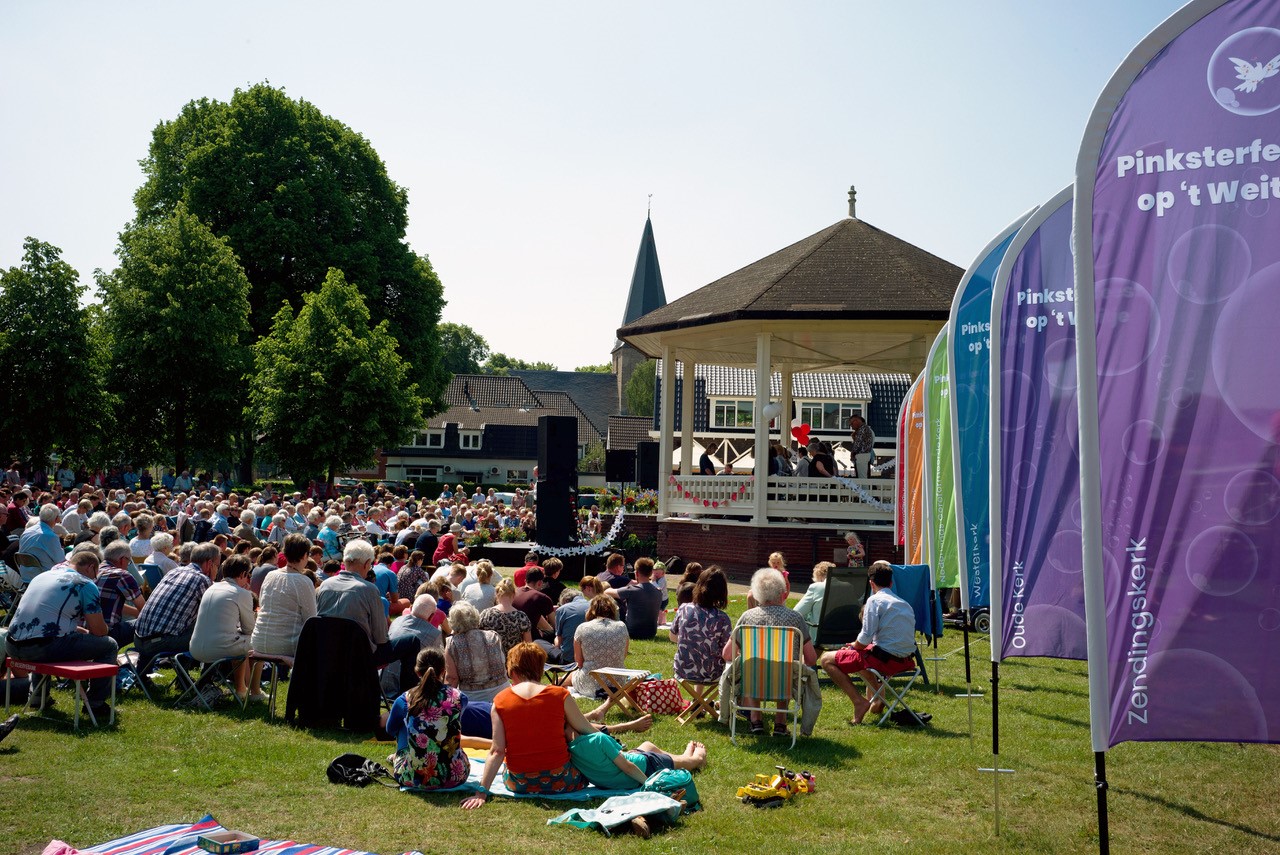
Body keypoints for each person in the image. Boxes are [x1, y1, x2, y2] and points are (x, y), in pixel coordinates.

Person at [461, 642, 595, 807]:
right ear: (540, 667)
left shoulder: (500, 701)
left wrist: (481, 792)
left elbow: (497, 751)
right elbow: (586, 729)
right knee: (570, 729)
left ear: (512, 669)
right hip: (562, 780)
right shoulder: (560, 695)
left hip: (520, 783)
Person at [2, 546, 117, 718]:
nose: (95, 578)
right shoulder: (85, 584)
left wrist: (78, 631)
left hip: (12, 644)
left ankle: (38, 697)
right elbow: (99, 631)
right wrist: (104, 629)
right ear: (91, 567)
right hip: (42, 647)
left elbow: (46, 619)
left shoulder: (42, 576)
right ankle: (95, 703)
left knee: (49, 638)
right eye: (96, 573)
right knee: (109, 645)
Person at [820, 561, 918, 725]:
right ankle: (877, 699)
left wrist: (852, 646)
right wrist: (855, 646)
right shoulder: (904, 604)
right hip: (906, 661)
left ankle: (859, 702)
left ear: (871, 583)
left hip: (885, 661)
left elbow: (865, 638)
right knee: (859, 655)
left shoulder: (874, 601)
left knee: (825, 659)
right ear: (891, 583)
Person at [316, 538, 420, 693]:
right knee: (412, 641)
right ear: (366, 564)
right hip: (361, 655)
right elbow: (381, 638)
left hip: (329, 652)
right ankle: (407, 698)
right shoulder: (369, 590)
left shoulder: (325, 585)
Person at [723, 567, 817, 736]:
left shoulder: (747, 618)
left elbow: (727, 655)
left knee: (752, 665)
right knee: (786, 666)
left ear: (758, 595)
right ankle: (780, 723)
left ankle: (756, 719)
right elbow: (811, 659)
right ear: (783, 594)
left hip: (753, 680)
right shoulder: (795, 618)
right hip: (784, 682)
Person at [384, 647, 470, 790]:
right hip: (455, 776)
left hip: (414, 778)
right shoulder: (460, 698)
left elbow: (390, 729)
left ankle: (400, 757)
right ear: (443, 671)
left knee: (402, 725)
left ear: (417, 671)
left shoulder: (405, 699)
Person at [133, 542, 219, 674]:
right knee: (211, 633)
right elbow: (213, 612)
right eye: (217, 565)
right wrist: (212, 579)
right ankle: (204, 684)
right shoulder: (202, 579)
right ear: (209, 564)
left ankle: (142, 677)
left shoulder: (175, 571)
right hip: (158, 644)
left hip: (139, 639)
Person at [189, 553, 257, 701]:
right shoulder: (242, 593)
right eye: (248, 575)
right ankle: (251, 691)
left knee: (241, 642)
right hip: (216, 649)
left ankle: (242, 689)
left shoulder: (211, 587)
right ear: (243, 574)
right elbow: (249, 629)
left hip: (195, 648)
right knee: (257, 642)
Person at [249, 533, 318, 660]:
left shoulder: (270, 575)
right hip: (286, 645)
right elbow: (311, 620)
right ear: (304, 555)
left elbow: (263, 605)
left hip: (258, 639)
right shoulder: (303, 581)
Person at [569, 730, 707, 791]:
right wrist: (648, 784)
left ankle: (683, 756)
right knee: (690, 763)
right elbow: (628, 767)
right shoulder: (598, 739)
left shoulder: (569, 751)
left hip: (624, 769)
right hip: (647, 766)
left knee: (648, 745)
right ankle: (696, 758)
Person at [669, 566, 732, 685]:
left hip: (683, 671)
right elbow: (726, 652)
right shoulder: (722, 618)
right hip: (712, 674)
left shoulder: (684, 609)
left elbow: (672, 637)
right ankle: (706, 701)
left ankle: (697, 700)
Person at [444, 601, 508, 703]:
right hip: (502, 693)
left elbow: (452, 678)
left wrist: (447, 702)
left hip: (473, 699)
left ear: (452, 622)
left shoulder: (452, 643)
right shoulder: (493, 636)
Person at [571, 595, 630, 700]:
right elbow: (623, 656)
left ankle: (557, 682)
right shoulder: (622, 626)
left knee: (573, 674)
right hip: (618, 682)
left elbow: (579, 662)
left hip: (591, 684)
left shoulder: (582, 628)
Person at [96, 540, 146, 646]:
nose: (128, 565)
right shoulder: (122, 575)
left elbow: (109, 602)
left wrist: (137, 614)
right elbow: (144, 609)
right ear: (122, 559)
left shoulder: (95, 570)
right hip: (108, 632)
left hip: (88, 629)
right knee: (149, 622)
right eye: (129, 561)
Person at [614, 557, 663, 640]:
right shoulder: (658, 592)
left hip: (632, 632)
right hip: (651, 632)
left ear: (636, 573)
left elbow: (608, 592)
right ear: (651, 573)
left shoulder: (632, 590)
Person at [552, 575, 597, 664]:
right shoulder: (595, 606)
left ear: (565, 601)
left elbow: (559, 641)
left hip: (569, 659)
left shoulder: (562, 610)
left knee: (540, 642)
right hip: (593, 656)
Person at [480, 578, 532, 655]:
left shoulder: (486, 614)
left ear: (497, 594)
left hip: (491, 661)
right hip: (514, 661)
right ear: (514, 594)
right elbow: (528, 645)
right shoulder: (521, 616)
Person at [18, 503, 64, 573]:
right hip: (43, 575)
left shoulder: (27, 531)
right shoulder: (50, 536)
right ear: (56, 519)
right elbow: (60, 560)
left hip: (25, 575)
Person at [512, 567, 555, 641]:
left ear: (525, 580)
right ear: (540, 583)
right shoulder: (542, 598)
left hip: (512, 633)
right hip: (530, 637)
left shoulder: (514, 592)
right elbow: (555, 624)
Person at [793, 561, 833, 638]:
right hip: (844, 638)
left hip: (819, 636)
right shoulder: (848, 586)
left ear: (819, 576)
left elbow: (797, 612)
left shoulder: (816, 587)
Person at [848, 414, 875, 478]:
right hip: (865, 455)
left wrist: (852, 453)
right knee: (863, 476)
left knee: (862, 477)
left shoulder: (862, 429)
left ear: (856, 421)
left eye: (851, 424)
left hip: (862, 455)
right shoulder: (866, 429)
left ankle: (864, 488)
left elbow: (858, 445)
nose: (851, 426)